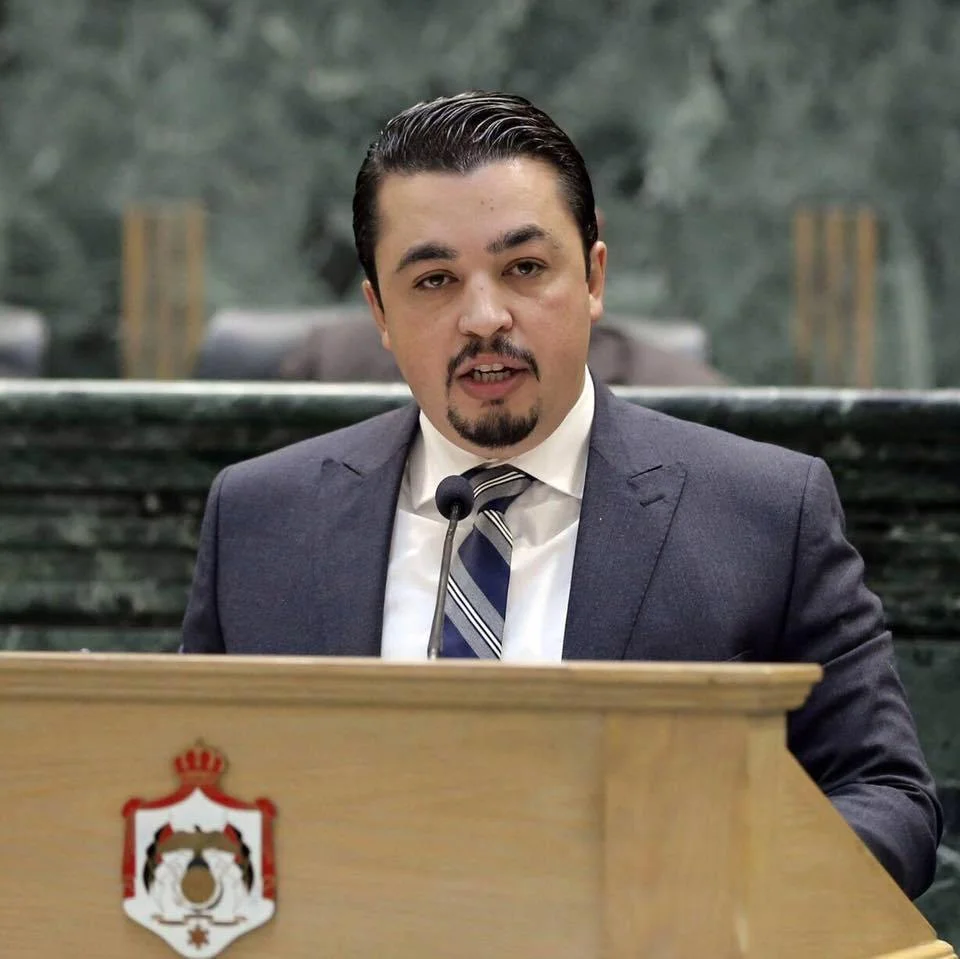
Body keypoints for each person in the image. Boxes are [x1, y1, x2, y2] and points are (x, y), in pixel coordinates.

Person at [181, 91, 941, 898]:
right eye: (434, 280)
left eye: (525, 268)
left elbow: (886, 797)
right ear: (379, 312)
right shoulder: (260, 521)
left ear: (594, 277)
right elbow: (183, 788)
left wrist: (716, 887)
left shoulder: (765, 513)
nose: (484, 317)